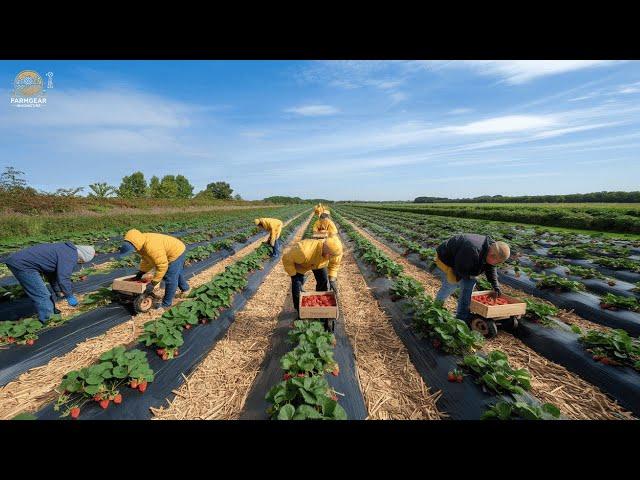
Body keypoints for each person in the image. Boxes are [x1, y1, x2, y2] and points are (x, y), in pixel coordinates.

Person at [4, 243, 95, 324]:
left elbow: (52, 273)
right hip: (22, 264)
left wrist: (57, 290)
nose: (79, 263)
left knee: (43, 293)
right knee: (42, 294)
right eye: (81, 262)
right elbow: (64, 278)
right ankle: (49, 321)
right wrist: (69, 296)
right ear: (83, 257)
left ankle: (52, 313)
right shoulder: (70, 256)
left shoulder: (66, 250)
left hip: (19, 260)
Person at [433, 234, 510, 323]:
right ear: (492, 255)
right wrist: (470, 276)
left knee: (468, 287)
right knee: (451, 284)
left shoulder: (491, 249)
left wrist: (495, 285)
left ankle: (461, 318)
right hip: (448, 258)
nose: (497, 264)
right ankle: (436, 309)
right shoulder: (471, 249)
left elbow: (491, 266)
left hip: (464, 259)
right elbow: (460, 269)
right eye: (498, 262)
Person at [119, 229, 189, 311]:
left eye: (133, 248)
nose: (133, 251)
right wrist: (141, 272)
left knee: (170, 278)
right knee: (176, 272)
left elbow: (162, 266)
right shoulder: (140, 244)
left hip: (176, 251)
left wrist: (153, 283)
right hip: (171, 248)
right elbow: (146, 259)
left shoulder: (152, 247)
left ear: (135, 245)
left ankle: (166, 304)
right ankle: (185, 289)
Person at [282, 236, 343, 316]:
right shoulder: (303, 251)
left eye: (333, 256)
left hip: (320, 263)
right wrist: (293, 274)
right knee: (297, 284)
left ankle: (322, 308)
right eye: (330, 256)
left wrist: (332, 279)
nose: (332, 258)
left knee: (323, 280)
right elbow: (286, 258)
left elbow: (335, 264)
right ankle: (300, 310)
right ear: (326, 251)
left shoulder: (335, 252)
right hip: (302, 264)